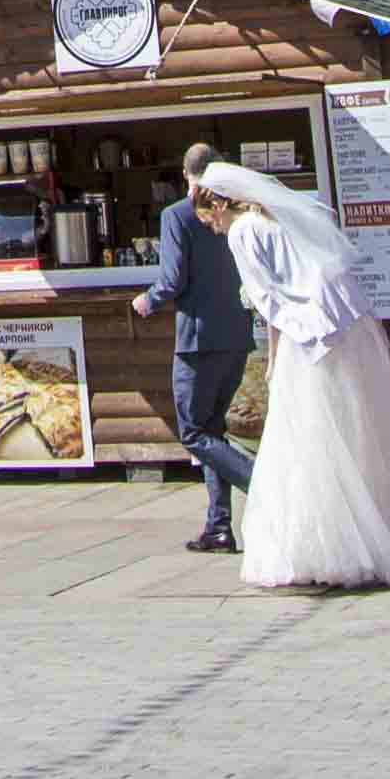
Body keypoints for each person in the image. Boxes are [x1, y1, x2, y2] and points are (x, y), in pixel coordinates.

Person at [183, 159, 390, 588]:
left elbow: (268, 300)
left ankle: (329, 547)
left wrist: (272, 357)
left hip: (310, 337)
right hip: (345, 323)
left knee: (310, 436)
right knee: (360, 429)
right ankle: (386, 535)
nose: (211, 229)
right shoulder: (274, 217)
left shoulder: (242, 231)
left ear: (218, 208)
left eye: (208, 220)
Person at [129, 146, 255, 556]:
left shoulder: (177, 216)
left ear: (186, 175)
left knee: (195, 433)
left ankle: (261, 483)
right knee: (213, 431)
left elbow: (172, 279)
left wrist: (147, 300)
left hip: (198, 342)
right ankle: (219, 527)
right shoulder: (240, 212)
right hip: (236, 336)